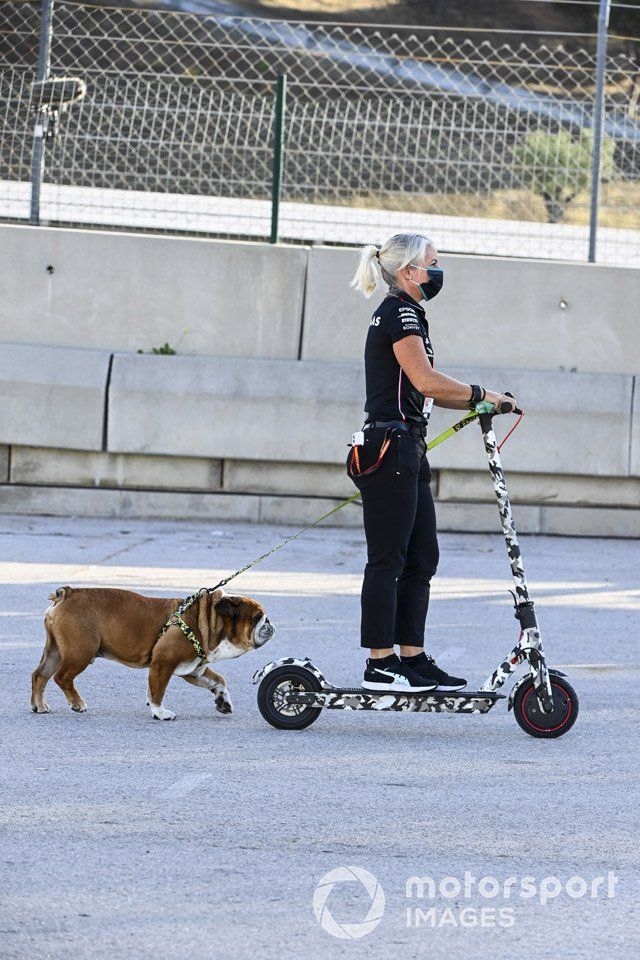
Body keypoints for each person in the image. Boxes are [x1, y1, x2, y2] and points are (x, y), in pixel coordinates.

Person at [347, 232, 518, 693]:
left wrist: (478, 402)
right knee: (388, 559)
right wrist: (481, 394)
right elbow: (425, 381)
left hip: (409, 448)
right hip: (389, 448)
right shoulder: (399, 311)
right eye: (433, 264)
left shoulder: (410, 314)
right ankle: (380, 663)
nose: (438, 272)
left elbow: (429, 391)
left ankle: (412, 657)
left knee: (422, 557)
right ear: (408, 271)